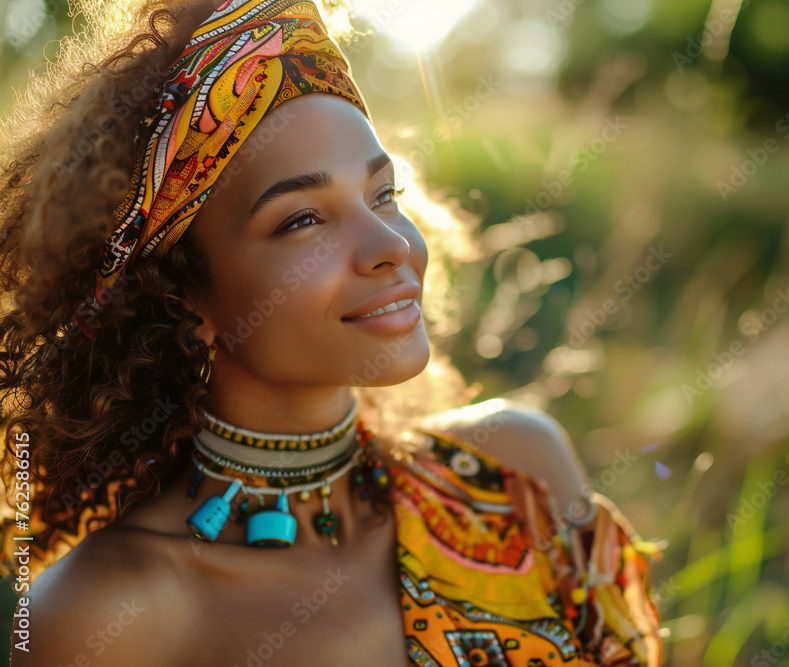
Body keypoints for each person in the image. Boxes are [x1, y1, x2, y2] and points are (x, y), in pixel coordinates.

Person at [0, 0, 664, 664]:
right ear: (180, 292)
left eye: (383, 195)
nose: (390, 245)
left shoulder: (518, 477)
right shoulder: (108, 614)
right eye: (303, 220)